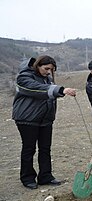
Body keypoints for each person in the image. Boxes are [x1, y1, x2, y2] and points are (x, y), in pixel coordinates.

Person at [12, 55, 76, 189]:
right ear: (37, 65)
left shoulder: (48, 78)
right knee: (29, 149)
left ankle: (45, 176)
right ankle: (27, 178)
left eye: (51, 69)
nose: (48, 71)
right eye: (46, 68)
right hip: (27, 119)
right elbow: (36, 89)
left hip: (45, 119)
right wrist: (60, 90)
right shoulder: (23, 78)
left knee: (45, 148)